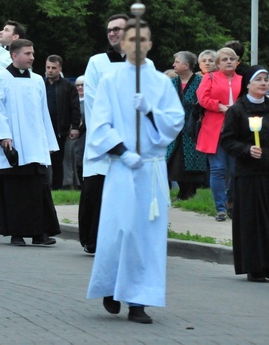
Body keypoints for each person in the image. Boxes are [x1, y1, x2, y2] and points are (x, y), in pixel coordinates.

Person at [86, 19, 184, 325]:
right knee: (121, 231)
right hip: (123, 167)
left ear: (150, 44)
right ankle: (112, 288)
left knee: (147, 236)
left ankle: (140, 299)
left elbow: (175, 121)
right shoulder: (111, 81)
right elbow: (100, 124)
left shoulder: (160, 82)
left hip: (151, 170)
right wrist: (122, 151)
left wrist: (152, 112)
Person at [0, 39, 61, 247]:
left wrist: (48, 142)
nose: (32, 57)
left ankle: (40, 233)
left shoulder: (38, 80)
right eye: (28, 54)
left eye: (32, 53)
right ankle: (17, 233)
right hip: (13, 142)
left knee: (38, 188)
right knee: (14, 189)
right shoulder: (0, 78)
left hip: (35, 143)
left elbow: (43, 113)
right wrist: (3, 137)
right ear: (14, 56)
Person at [222, 66, 269, 282]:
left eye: (266, 80)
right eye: (259, 80)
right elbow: (227, 140)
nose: (264, 83)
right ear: (247, 84)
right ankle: (254, 266)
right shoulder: (237, 110)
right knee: (252, 220)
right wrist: (247, 149)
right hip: (248, 173)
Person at [78, 13, 129, 254]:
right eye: (110, 30)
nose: (113, 33)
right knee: (97, 191)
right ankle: (93, 239)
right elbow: (94, 101)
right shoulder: (97, 62)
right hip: (104, 138)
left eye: (118, 29)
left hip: (131, 139)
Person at [196, 47, 242, 221]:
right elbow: (202, 97)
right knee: (218, 169)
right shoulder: (210, 77)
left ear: (237, 62)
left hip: (236, 131)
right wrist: (220, 106)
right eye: (224, 59)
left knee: (234, 170)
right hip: (214, 129)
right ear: (217, 64)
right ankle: (220, 208)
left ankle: (231, 202)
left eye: (232, 59)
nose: (229, 61)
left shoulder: (242, 79)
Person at [165, 51, 207, 201]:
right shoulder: (172, 83)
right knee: (174, 160)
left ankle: (190, 192)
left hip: (193, 127)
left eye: (177, 62)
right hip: (175, 128)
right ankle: (182, 191)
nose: (173, 65)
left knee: (192, 160)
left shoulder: (200, 82)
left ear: (186, 65)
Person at [44, 55, 81, 190]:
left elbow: (75, 107)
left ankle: (58, 186)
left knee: (59, 160)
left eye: (53, 68)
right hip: (44, 128)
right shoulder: (41, 84)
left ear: (59, 68)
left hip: (61, 129)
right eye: (48, 67)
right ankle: (45, 186)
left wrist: (75, 127)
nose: (50, 70)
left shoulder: (68, 86)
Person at [62, 75, 86, 189]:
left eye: (82, 85)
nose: (80, 88)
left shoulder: (92, 101)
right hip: (72, 135)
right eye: (78, 85)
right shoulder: (72, 99)